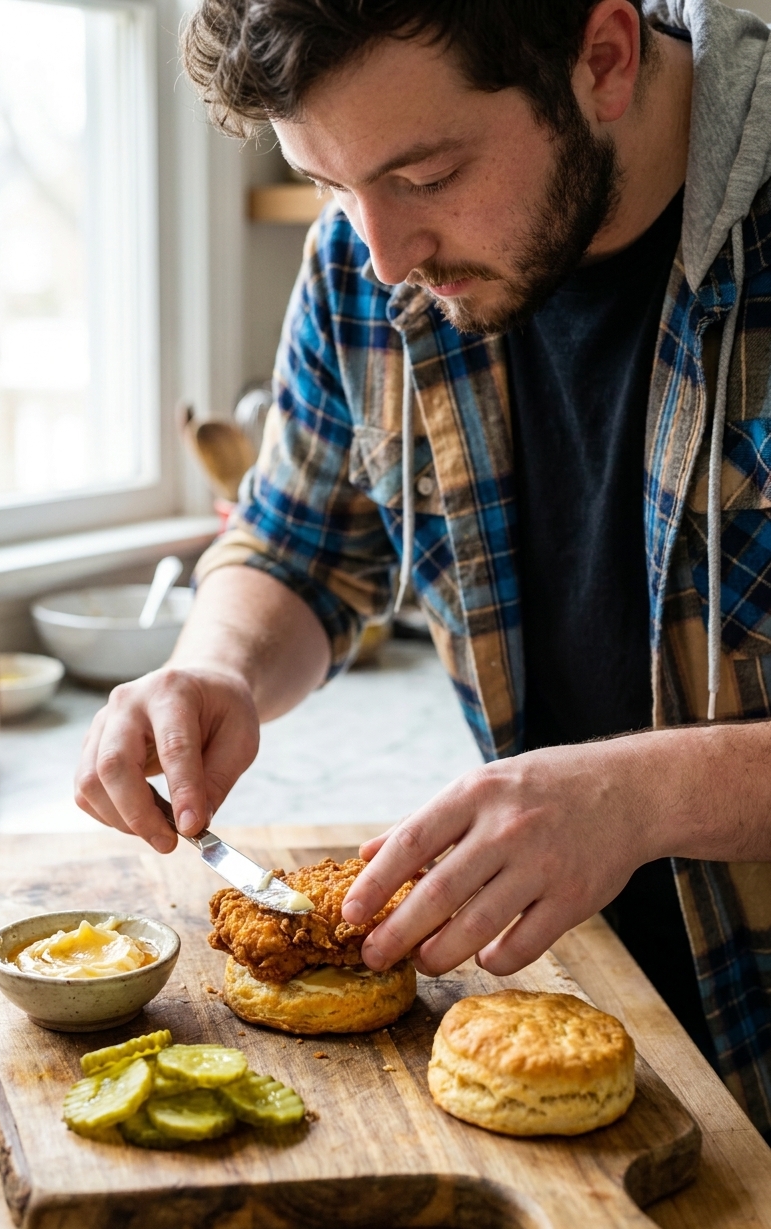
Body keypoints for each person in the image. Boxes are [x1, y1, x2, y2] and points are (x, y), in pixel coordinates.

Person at [75, 0, 771, 1138]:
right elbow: (300, 543)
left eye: (427, 173)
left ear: (602, 56)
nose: (380, 254)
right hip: (595, 1024)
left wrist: (641, 795)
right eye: (330, 186)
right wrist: (218, 672)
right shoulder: (371, 251)